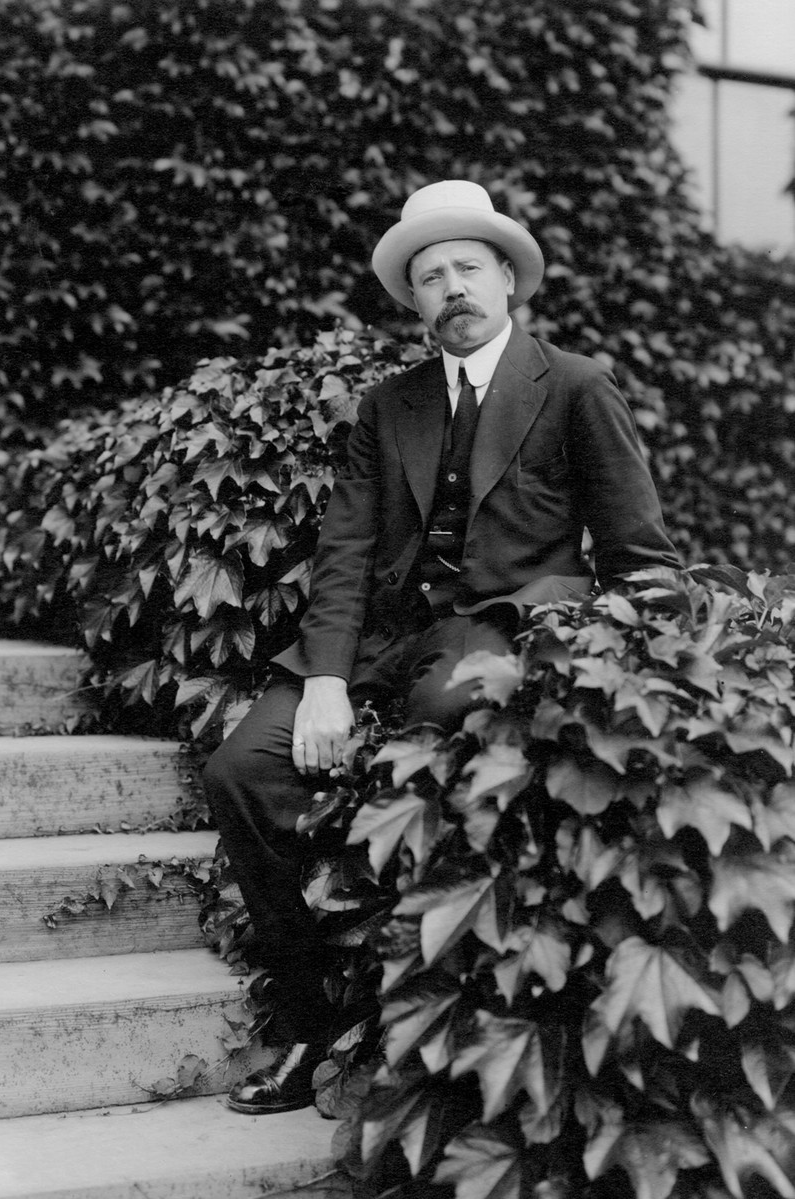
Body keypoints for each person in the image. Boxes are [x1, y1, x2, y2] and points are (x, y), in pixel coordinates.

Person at [204, 179, 681, 1114]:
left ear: (507, 280)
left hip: (493, 630)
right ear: (414, 299)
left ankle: (436, 1034)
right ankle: (308, 1026)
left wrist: (628, 672)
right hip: (383, 636)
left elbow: (641, 558)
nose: (451, 287)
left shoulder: (575, 385)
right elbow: (343, 553)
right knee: (240, 771)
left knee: (446, 717)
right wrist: (328, 679)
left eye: (468, 267)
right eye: (430, 277)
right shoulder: (392, 406)